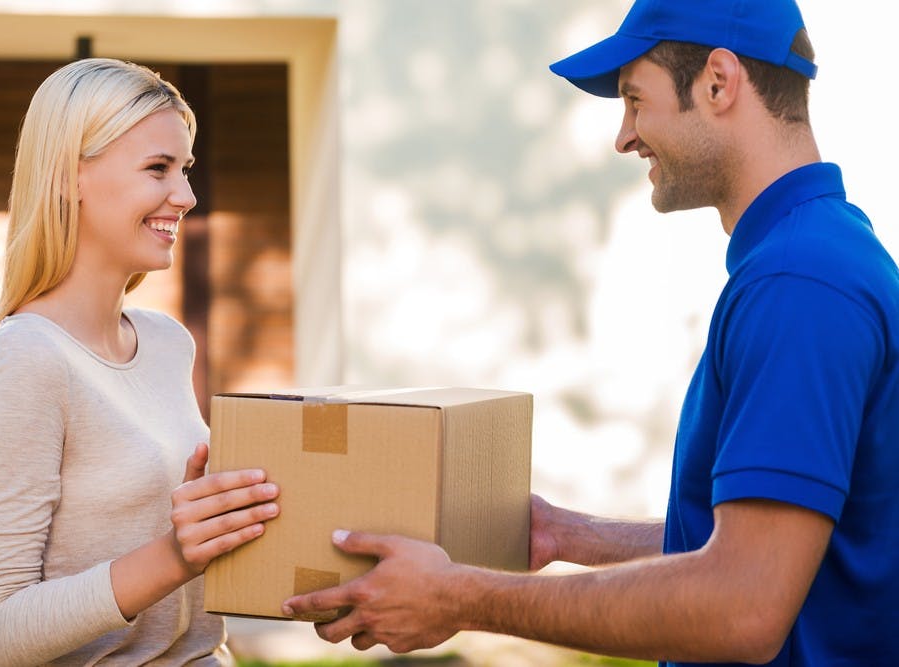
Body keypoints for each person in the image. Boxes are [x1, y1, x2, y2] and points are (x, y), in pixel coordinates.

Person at [282, 0, 899, 664]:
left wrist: (461, 598)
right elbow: (770, 539)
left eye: (635, 99)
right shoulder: (815, 255)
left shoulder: (796, 282)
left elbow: (741, 603)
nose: (623, 136)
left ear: (718, 82)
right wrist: (566, 534)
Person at [0, 58, 281, 666]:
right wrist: (177, 555)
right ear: (67, 177)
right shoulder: (25, 360)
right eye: (157, 168)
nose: (185, 196)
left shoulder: (165, 343)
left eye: (184, 169)